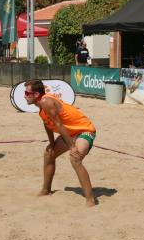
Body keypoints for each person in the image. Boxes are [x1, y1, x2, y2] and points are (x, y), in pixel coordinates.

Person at [24, 79, 97, 207]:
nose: (24, 96)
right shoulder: (40, 106)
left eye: (27, 93)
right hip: (70, 133)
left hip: (84, 130)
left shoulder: (46, 101)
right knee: (48, 154)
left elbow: (59, 124)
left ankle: (90, 199)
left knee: (75, 158)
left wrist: (72, 147)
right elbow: (47, 124)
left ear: (36, 95)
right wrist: (52, 144)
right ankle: (46, 190)